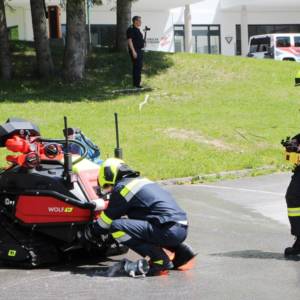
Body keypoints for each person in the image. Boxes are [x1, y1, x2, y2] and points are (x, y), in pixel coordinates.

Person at [81, 158, 196, 276]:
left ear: (109, 176)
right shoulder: (142, 181)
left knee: (116, 226)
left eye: (106, 186)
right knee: (137, 224)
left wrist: (89, 232)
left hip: (166, 230)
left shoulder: (122, 188)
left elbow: (106, 221)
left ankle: (159, 260)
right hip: (180, 227)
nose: (107, 190)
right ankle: (182, 252)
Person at [127, 16, 145, 88]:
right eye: (139, 21)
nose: (140, 22)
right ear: (135, 21)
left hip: (139, 50)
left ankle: (138, 84)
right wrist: (133, 51)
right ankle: (136, 85)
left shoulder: (138, 30)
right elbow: (129, 41)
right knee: (137, 67)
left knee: (139, 66)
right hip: (135, 50)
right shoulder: (131, 29)